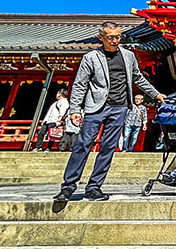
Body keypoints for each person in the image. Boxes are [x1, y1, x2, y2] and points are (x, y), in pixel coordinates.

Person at [54, 21, 166, 203]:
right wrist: (74, 109)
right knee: (83, 144)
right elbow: (80, 84)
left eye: (118, 36)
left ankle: (94, 186)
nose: (115, 40)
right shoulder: (91, 57)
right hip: (96, 107)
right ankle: (68, 186)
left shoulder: (128, 56)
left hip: (120, 106)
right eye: (111, 37)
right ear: (101, 38)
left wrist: (156, 94)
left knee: (108, 147)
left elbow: (138, 78)